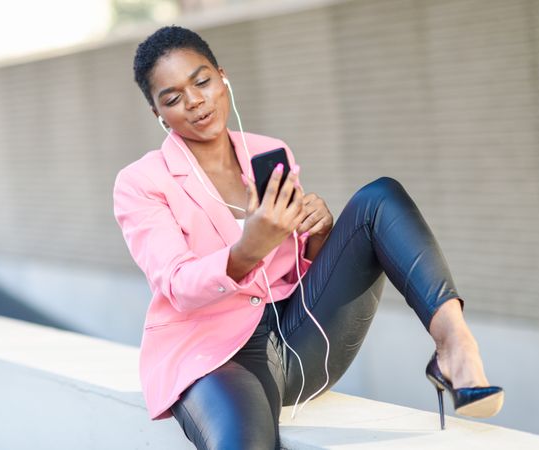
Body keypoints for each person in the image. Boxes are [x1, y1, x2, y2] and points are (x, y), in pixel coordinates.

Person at [113, 25, 504, 450]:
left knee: (379, 199)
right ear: (158, 113)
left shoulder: (268, 152)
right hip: (214, 358)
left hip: (300, 338)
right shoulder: (141, 182)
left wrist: (318, 235)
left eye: (202, 81)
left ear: (222, 77)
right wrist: (250, 248)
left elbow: (300, 272)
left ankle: (455, 345)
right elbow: (177, 285)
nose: (194, 102)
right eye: (172, 99)